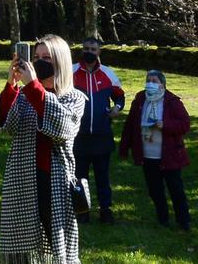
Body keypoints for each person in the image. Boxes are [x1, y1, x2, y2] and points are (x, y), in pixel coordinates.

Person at [0, 35, 84, 264]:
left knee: (57, 244)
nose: (39, 62)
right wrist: (11, 85)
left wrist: (33, 86)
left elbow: (62, 127)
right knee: (22, 244)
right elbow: (2, 123)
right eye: (36, 57)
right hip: (22, 179)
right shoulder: (23, 95)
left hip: (55, 182)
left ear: (60, 61)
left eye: (47, 58)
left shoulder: (74, 98)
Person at [118, 70, 190, 231]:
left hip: (169, 155)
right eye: (148, 80)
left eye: (154, 81)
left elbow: (185, 124)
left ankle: (184, 220)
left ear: (162, 84)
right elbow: (130, 125)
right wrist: (124, 148)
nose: (150, 83)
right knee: (155, 190)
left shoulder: (172, 101)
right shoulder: (140, 99)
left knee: (176, 189)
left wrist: (166, 125)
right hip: (148, 154)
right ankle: (162, 218)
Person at [71, 36, 124, 224]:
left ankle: (105, 210)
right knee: (79, 177)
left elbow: (119, 97)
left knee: (103, 176)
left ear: (99, 52)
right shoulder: (72, 72)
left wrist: (117, 108)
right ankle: (81, 211)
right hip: (78, 136)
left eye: (93, 49)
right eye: (86, 48)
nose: (89, 52)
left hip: (102, 135)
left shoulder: (108, 74)